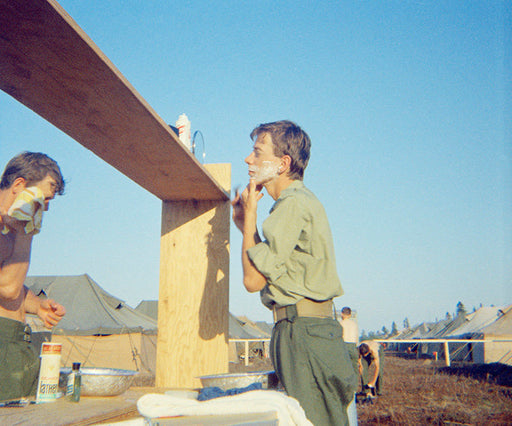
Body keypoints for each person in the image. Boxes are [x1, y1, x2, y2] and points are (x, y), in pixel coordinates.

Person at [232, 120, 357, 426]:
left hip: (303, 335)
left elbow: (252, 280)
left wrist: (250, 216)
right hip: (304, 332)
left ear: (283, 163)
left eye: (258, 152)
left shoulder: (291, 205)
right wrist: (244, 225)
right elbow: (264, 268)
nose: (249, 160)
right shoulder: (297, 204)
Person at [0, 152, 66, 401]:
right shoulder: (17, 233)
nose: (46, 207)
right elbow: (7, 288)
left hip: (17, 344)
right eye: (43, 198)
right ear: (19, 185)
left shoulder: (8, 230)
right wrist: (27, 234)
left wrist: (37, 305)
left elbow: (9, 286)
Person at [339, 307, 359, 425]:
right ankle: (354, 390)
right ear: (350, 315)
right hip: (353, 347)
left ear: (342, 314)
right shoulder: (354, 324)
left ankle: (345, 392)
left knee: (343, 369)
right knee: (354, 370)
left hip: (345, 346)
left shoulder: (341, 324)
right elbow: (356, 338)